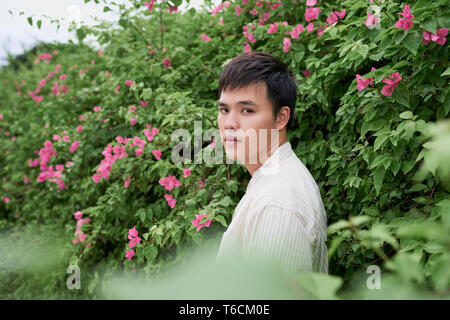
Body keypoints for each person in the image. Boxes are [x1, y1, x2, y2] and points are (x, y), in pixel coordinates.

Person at [215, 51, 328, 278]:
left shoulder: (276, 205)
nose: (229, 123)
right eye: (224, 109)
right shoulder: (270, 181)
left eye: (247, 110)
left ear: (281, 118)